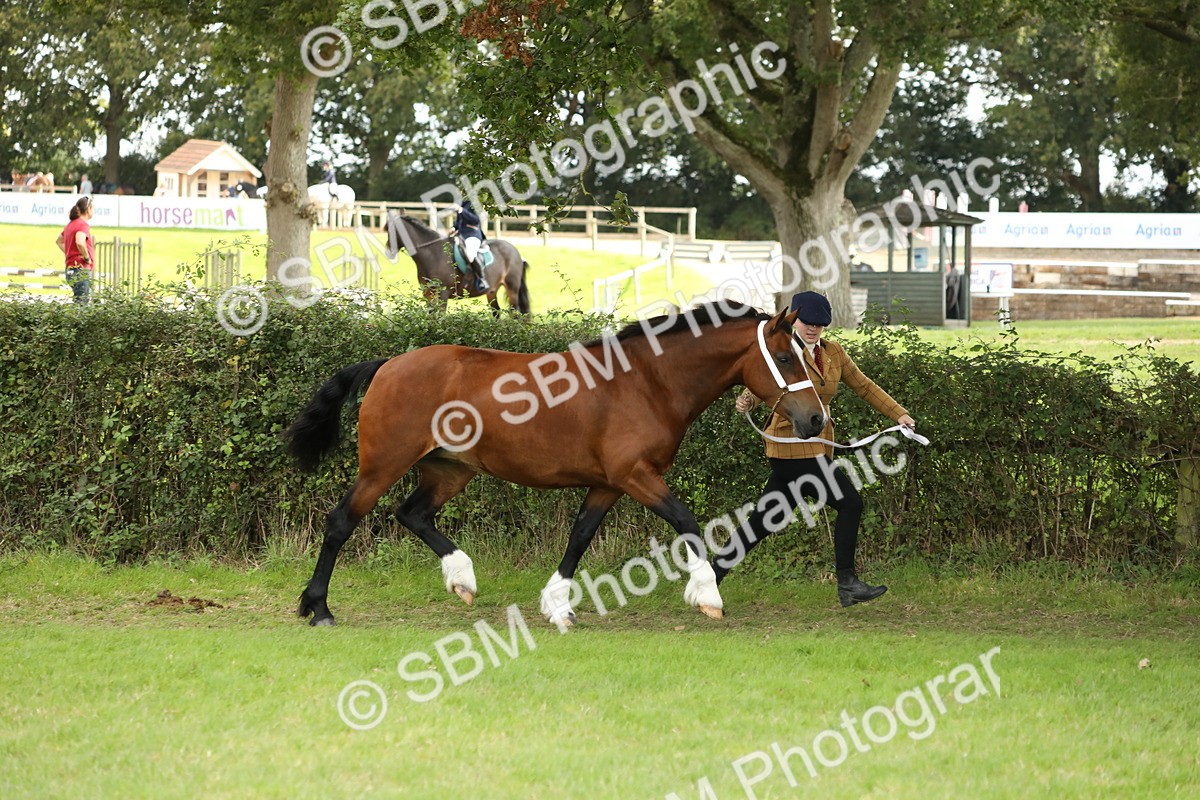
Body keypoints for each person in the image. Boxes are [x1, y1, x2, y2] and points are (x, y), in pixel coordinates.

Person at [715, 291, 917, 607]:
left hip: (818, 446)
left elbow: (864, 386)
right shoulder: (784, 349)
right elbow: (763, 381)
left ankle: (710, 576)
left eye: (820, 325)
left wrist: (899, 413)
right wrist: (748, 399)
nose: (813, 329)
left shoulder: (834, 353)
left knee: (763, 521)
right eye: (808, 323)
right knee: (850, 504)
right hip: (789, 444)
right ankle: (847, 584)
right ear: (796, 319)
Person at [56, 197, 95, 304]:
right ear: (88, 209)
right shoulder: (82, 225)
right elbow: (80, 242)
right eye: (93, 208)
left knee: (79, 302)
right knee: (82, 305)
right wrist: (86, 257)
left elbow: (59, 241)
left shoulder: (70, 225)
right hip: (80, 269)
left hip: (70, 269)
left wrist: (70, 253)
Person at [453, 200, 489, 292]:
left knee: (470, 255)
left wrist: (462, 211)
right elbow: (459, 222)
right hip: (460, 235)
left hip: (472, 234)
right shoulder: (461, 203)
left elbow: (476, 220)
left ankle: (482, 279)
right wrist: (454, 227)